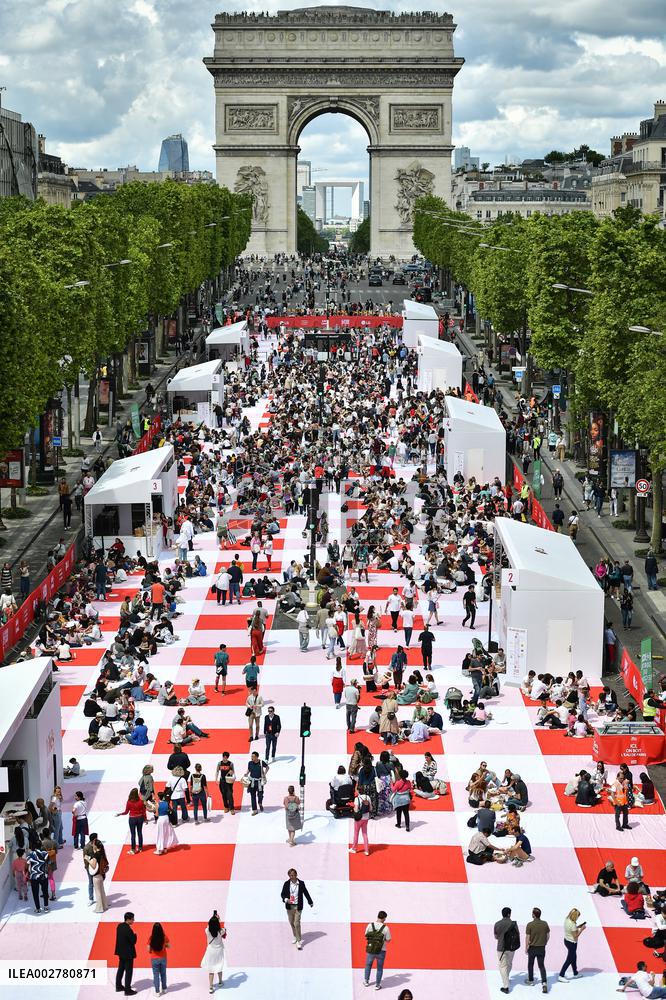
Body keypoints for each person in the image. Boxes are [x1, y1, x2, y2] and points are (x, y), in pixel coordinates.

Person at [280, 867, 313, 950]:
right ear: (289, 876)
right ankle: (295, 936)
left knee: (296, 923)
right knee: (291, 922)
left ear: (296, 875)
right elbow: (282, 894)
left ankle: (299, 941)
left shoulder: (301, 883)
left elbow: (306, 892)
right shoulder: (286, 884)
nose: (292, 877)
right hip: (289, 906)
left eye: (293, 875)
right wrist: (286, 900)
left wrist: (310, 902)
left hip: (298, 906)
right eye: (290, 875)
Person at [494, 906, 520, 994]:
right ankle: (506, 978)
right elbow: (517, 934)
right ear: (509, 914)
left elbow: (496, 936)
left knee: (502, 966)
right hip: (512, 948)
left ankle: (506, 986)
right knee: (509, 964)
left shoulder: (497, 924)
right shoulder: (513, 924)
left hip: (501, 948)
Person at [364, 910, 391, 989]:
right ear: (384, 918)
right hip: (381, 950)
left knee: (368, 965)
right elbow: (388, 939)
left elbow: (366, 935)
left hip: (371, 949)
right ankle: (377, 985)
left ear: (378, 916)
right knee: (379, 968)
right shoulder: (385, 928)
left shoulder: (370, 925)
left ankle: (366, 981)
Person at [525, 906, 550, 993]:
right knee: (541, 965)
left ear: (534, 915)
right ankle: (544, 983)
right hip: (542, 948)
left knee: (530, 964)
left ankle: (531, 980)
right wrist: (545, 942)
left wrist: (526, 947)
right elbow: (548, 935)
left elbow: (527, 937)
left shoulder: (530, 925)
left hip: (532, 948)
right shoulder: (545, 923)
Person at [201, 910, 227, 994]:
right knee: (219, 966)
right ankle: (220, 982)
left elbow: (209, 925)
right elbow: (222, 929)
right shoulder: (221, 931)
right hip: (219, 950)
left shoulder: (207, 931)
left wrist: (214, 918)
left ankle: (211, 987)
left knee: (211, 969)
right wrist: (218, 920)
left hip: (211, 951)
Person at [116, 788, 147, 854]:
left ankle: (133, 849)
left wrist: (120, 814)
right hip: (140, 818)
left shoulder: (129, 802)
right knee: (140, 833)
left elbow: (126, 812)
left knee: (133, 834)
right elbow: (144, 811)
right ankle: (140, 847)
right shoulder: (141, 801)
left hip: (132, 819)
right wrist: (145, 819)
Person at [558, 907, 585, 982]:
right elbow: (575, 936)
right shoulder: (573, 925)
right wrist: (581, 929)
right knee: (569, 959)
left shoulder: (567, 919)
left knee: (574, 957)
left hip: (566, 940)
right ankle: (561, 975)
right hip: (572, 943)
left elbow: (572, 929)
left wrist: (578, 927)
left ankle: (575, 973)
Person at [114, 911, 137, 996]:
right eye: (132, 919)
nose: (133, 920)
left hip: (121, 952)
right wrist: (135, 935)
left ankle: (118, 986)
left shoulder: (119, 926)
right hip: (128, 954)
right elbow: (133, 941)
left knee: (120, 969)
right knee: (129, 971)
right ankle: (127, 990)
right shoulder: (128, 930)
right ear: (128, 919)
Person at [148, 922, 170, 996]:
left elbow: (148, 949)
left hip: (154, 958)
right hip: (163, 957)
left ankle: (157, 992)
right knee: (163, 974)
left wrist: (151, 950)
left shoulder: (151, 938)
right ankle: (164, 989)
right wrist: (164, 945)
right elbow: (169, 946)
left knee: (156, 975)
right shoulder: (164, 936)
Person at [154, 791, 178, 856]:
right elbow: (169, 810)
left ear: (159, 797)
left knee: (160, 834)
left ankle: (159, 849)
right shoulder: (167, 803)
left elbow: (156, 814)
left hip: (161, 819)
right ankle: (165, 848)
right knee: (166, 833)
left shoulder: (157, 804)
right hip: (166, 818)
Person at [88, 841, 109, 913]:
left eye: (93, 844)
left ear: (96, 846)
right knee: (102, 890)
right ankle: (105, 905)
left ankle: (99, 908)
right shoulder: (102, 853)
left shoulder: (96, 855)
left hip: (96, 876)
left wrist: (88, 860)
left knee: (98, 892)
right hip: (101, 875)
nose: (92, 845)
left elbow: (93, 866)